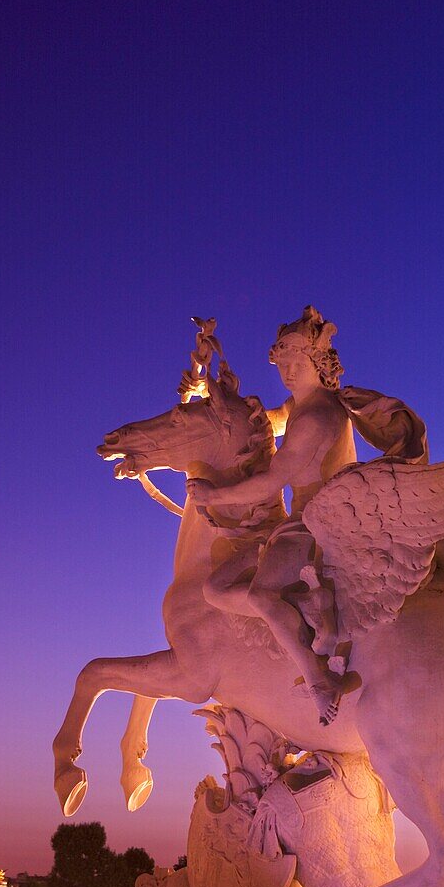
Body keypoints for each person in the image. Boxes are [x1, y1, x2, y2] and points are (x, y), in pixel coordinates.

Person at [186, 306, 358, 724]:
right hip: (295, 524)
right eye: (282, 364)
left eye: (296, 363)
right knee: (215, 588)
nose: (287, 372)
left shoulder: (318, 417)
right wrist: (216, 394)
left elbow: (271, 481)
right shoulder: (301, 406)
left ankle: (319, 681)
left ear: (317, 363)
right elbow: (270, 421)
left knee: (261, 596)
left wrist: (214, 494)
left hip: (316, 524)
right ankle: (303, 613)